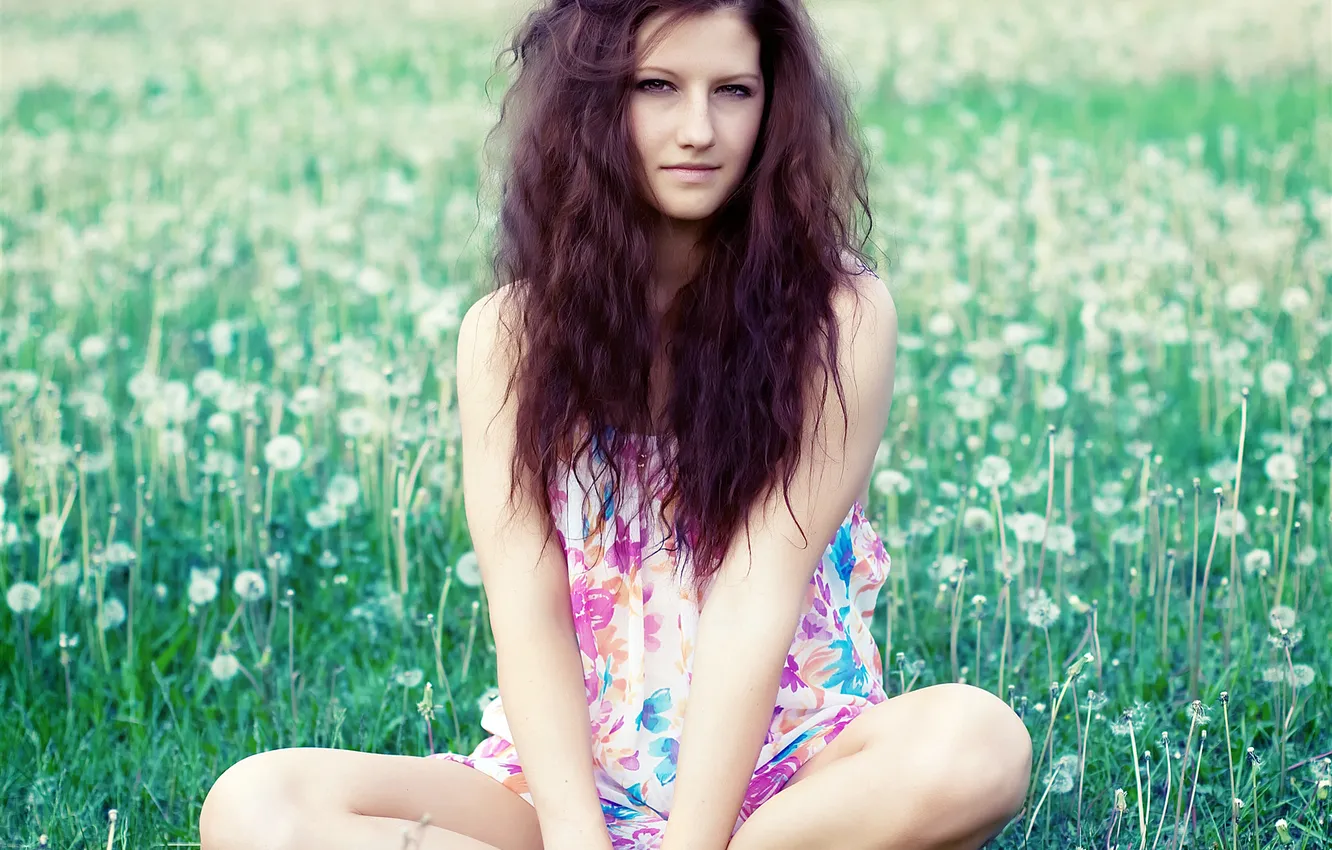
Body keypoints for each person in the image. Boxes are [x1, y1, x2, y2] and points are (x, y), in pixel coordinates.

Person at [199, 1, 1033, 849]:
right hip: (564, 790)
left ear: (773, 109)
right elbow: (527, 612)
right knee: (253, 804)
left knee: (978, 745)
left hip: (792, 776)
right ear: (593, 108)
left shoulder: (840, 318)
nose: (699, 128)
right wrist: (574, 835)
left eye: (734, 90)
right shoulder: (507, 338)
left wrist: (693, 843)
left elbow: (758, 587)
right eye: (658, 87)